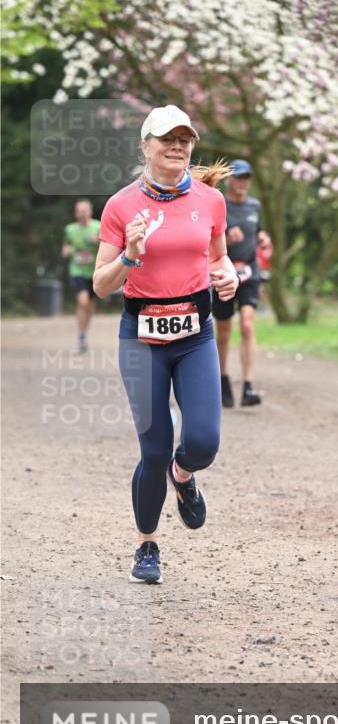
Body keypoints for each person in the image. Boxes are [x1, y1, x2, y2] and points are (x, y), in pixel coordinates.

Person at [93, 104, 239, 584]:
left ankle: (184, 475)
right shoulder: (120, 206)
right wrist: (131, 257)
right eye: (166, 138)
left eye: (185, 138)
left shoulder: (211, 201)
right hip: (141, 337)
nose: (177, 146)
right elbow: (100, 284)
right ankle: (146, 544)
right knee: (153, 448)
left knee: (202, 442)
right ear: (146, 146)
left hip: (196, 332)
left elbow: (217, 255)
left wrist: (227, 277)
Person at [211, 159, 272, 408]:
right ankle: (223, 380)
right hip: (223, 273)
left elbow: (258, 231)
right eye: (238, 177)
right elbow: (205, 236)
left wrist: (263, 238)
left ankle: (248, 386)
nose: (242, 183)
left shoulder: (254, 206)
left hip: (249, 272)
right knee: (223, 331)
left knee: (247, 325)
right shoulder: (218, 204)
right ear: (229, 179)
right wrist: (226, 237)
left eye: (246, 178)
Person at [62, 199, 100, 352]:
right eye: (79, 210)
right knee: (83, 302)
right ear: (76, 213)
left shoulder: (98, 226)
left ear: (89, 212)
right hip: (77, 270)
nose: (82, 213)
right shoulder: (70, 229)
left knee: (89, 306)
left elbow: (108, 246)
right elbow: (66, 247)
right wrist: (67, 251)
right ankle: (81, 335)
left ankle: (83, 334)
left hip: (95, 271)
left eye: (85, 210)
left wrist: (97, 242)